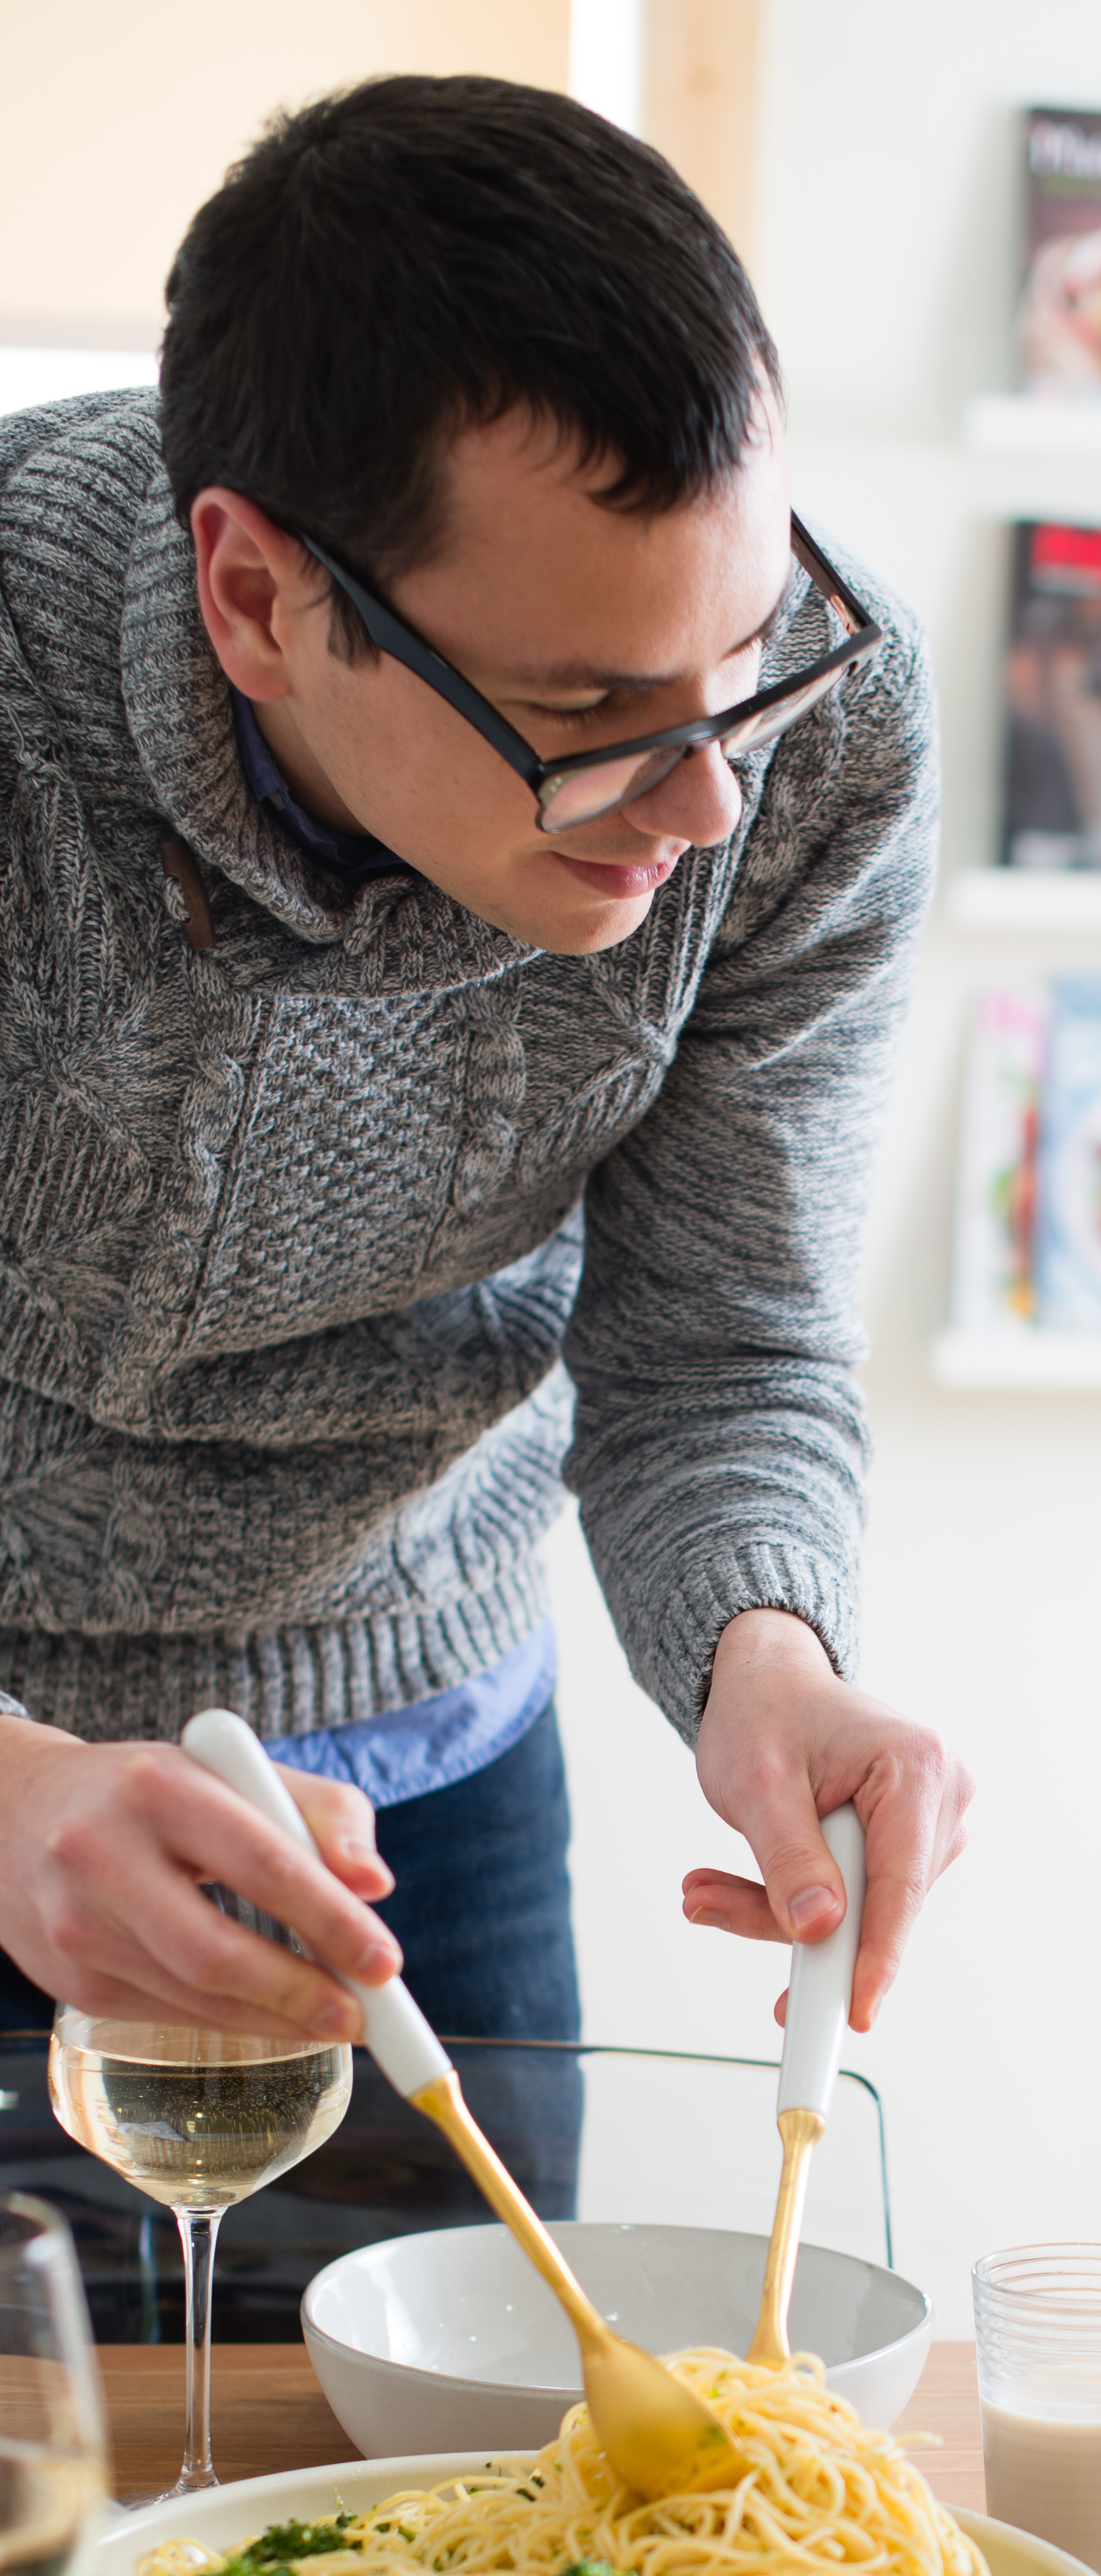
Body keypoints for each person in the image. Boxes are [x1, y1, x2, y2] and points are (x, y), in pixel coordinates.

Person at [0, 75, 968, 2053]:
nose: (705, 800)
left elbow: (727, 1340)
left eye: (748, 658)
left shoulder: (820, 750)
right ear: (258, 596)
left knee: (515, 2374)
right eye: (589, 710)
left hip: (425, 1777)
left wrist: (764, 1650)